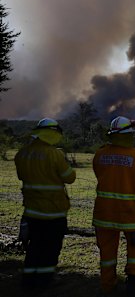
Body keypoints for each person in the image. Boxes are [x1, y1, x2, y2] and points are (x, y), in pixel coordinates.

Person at [92, 116, 135, 294]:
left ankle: (107, 284)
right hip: (131, 214)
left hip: (104, 214)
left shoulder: (100, 154)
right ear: (129, 136)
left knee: (107, 252)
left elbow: (99, 173)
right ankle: (134, 281)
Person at [14, 118, 77, 287]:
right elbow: (69, 178)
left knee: (34, 246)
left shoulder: (22, 153)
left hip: (31, 211)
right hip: (53, 211)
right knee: (50, 248)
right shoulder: (54, 154)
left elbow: (22, 176)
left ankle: (28, 280)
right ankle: (44, 280)